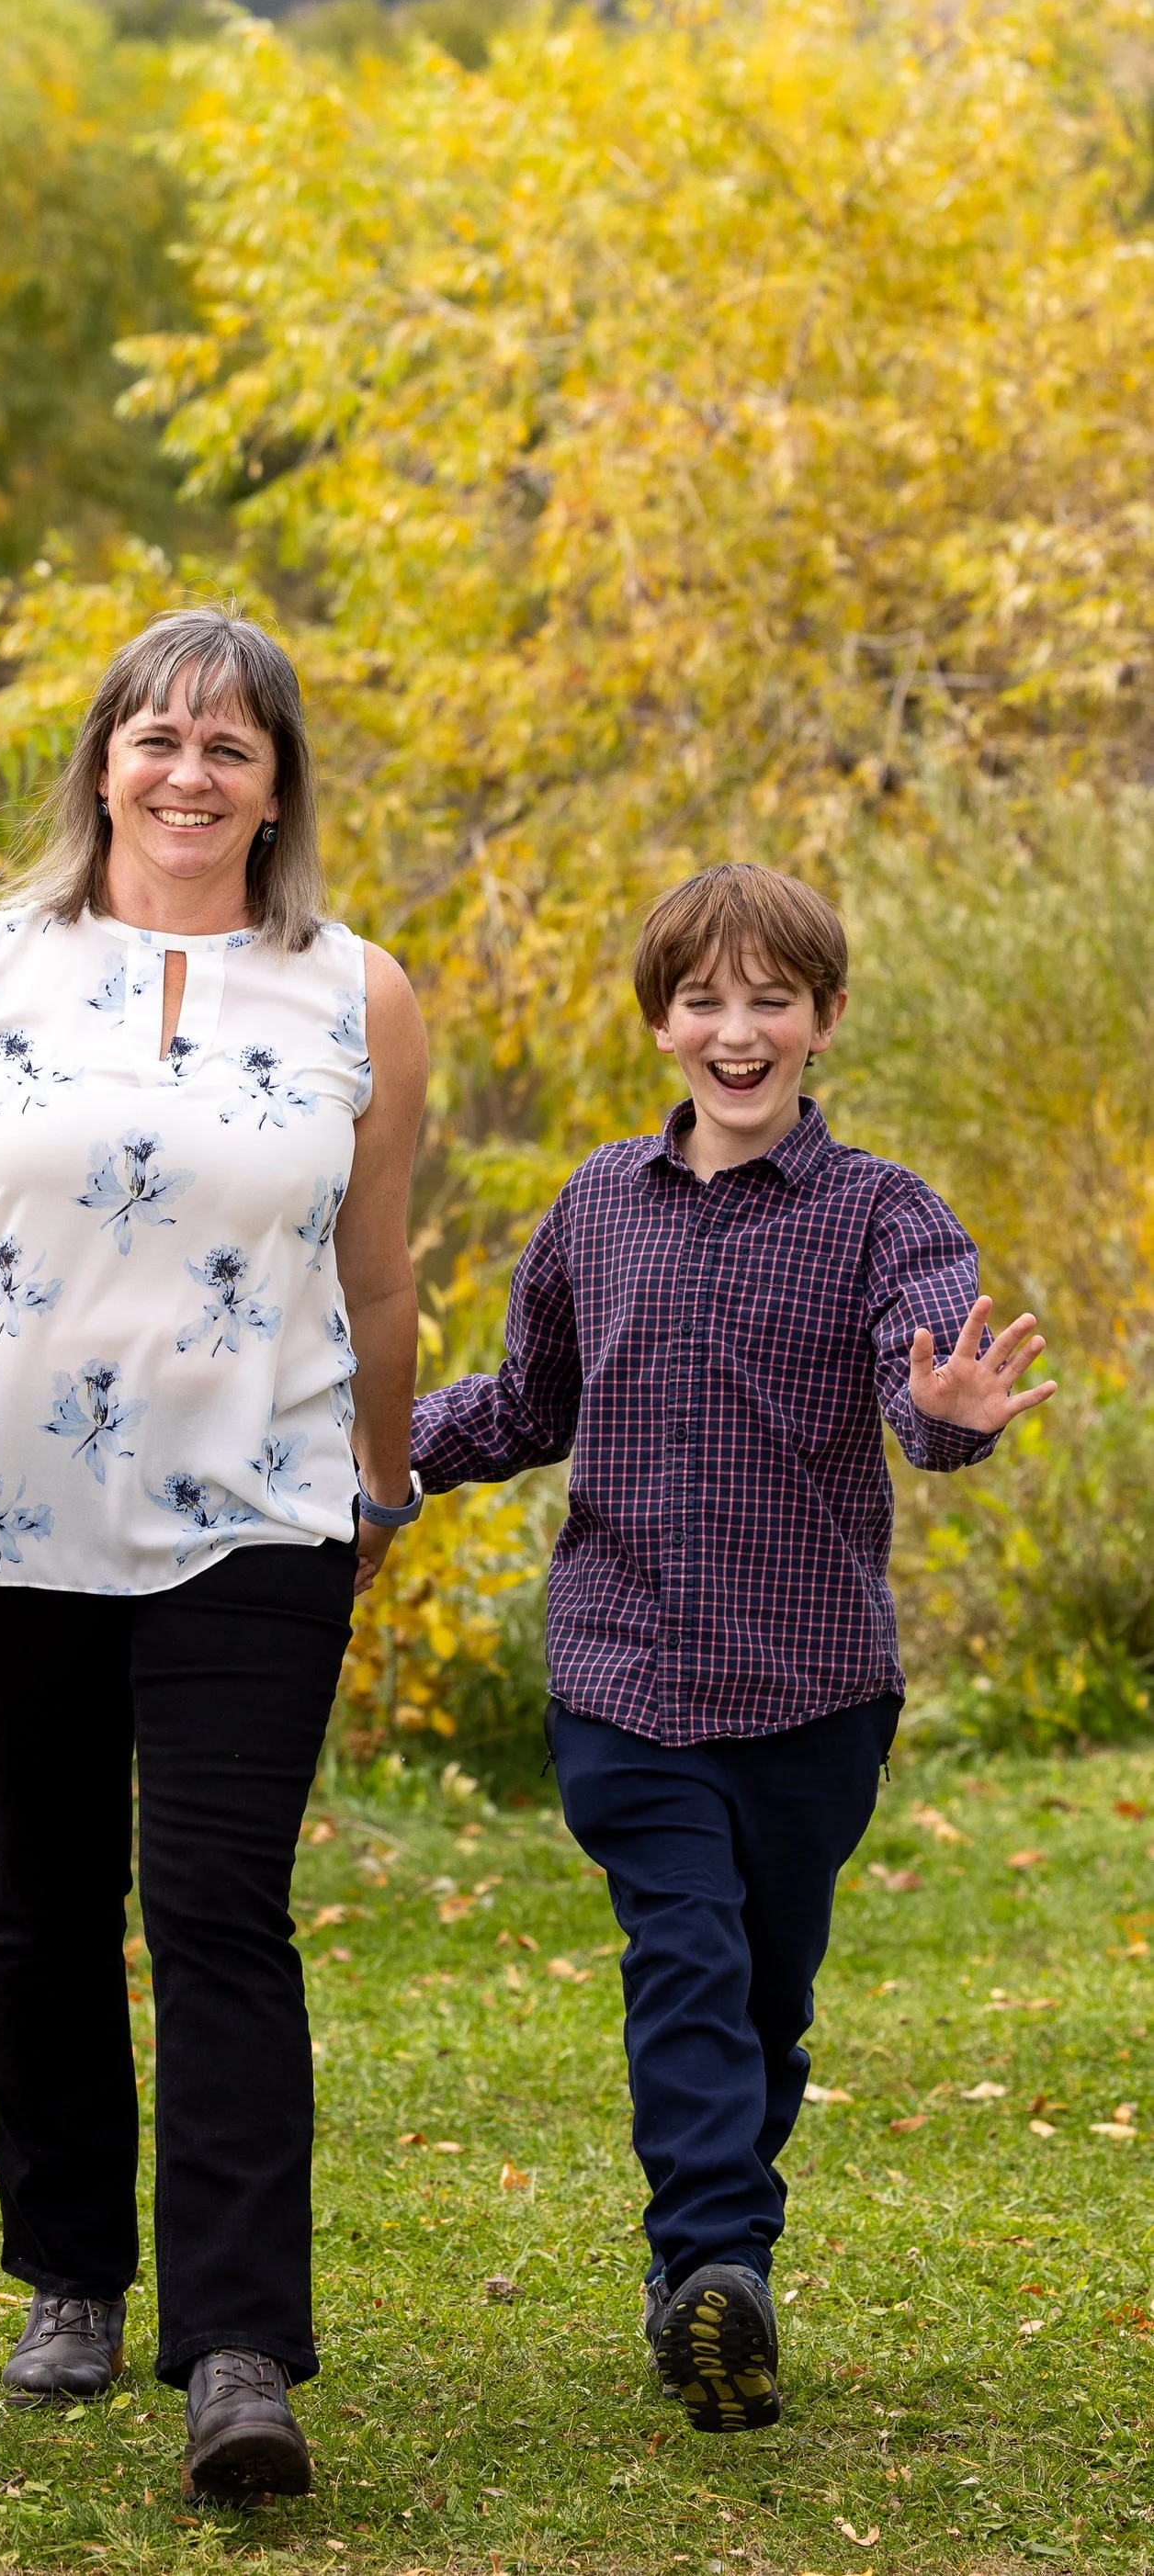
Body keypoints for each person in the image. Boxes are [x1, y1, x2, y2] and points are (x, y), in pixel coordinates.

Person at [0, 608, 428, 2506]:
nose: (188, 773)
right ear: (100, 761)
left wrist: (376, 1479)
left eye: (229, 745)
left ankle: (236, 2345)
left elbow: (373, 1272)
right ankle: (68, 2266)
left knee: (216, 1902)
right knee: (41, 1901)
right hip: (0, 1508)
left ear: (277, 781)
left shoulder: (355, 989)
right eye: (155, 738)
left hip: (257, 1503)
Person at [409, 862, 1054, 2434]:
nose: (737, 1027)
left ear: (825, 1019)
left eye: (771, 998)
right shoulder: (594, 1207)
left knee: (765, 1995)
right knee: (685, 1958)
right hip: (625, 1673)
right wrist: (391, 1462)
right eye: (705, 999)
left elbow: (925, 1390)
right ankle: (717, 2268)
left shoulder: (886, 1214)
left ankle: (703, 2283)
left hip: (812, 1684)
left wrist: (950, 1418)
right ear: (660, 1025)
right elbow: (531, 1403)